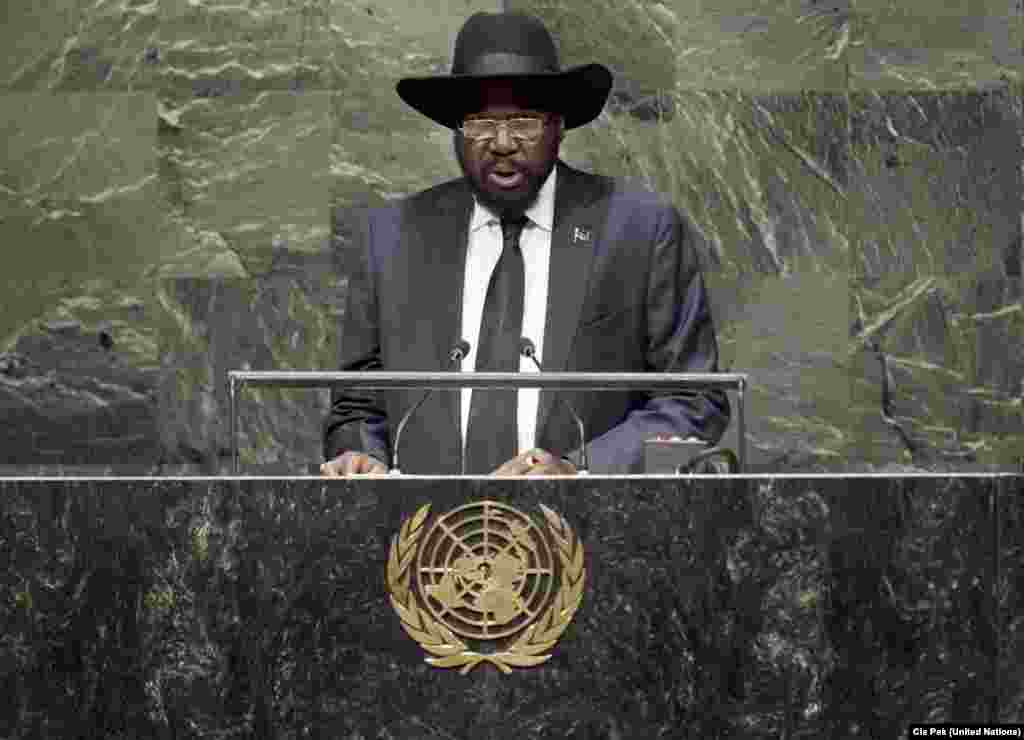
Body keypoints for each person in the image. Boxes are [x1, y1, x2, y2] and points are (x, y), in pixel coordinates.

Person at [321, 11, 730, 477]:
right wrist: (361, 456)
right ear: (456, 132)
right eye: (479, 124)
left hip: (592, 531)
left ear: (559, 127)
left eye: (524, 123)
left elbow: (694, 398)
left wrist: (580, 472)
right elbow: (358, 404)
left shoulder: (638, 228)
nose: (500, 143)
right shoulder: (391, 237)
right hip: (425, 537)